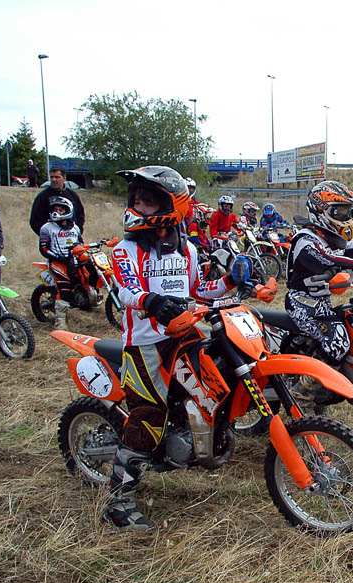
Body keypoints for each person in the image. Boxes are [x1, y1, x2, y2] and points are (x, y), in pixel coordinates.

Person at [106, 165, 250, 532]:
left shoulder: (186, 248)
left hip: (183, 334)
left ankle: (191, 440)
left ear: (173, 205)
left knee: (215, 384)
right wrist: (151, 301)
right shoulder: (125, 249)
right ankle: (118, 504)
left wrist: (229, 281)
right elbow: (126, 289)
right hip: (145, 344)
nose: (138, 207)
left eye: (148, 202)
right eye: (137, 200)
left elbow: (200, 288)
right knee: (147, 417)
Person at [285, 181, 353, 401]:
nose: (346, 217)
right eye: (340, 211)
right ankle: (301, 391)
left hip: (321, 302)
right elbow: (328, 259)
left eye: (348, 211)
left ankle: (330, 383)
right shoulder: (305, 240)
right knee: (338, 342)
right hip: (301, 302)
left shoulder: (331, 237)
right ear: (321, 211)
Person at [38, 197, 94, 328]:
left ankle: (87, 299)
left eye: (60, 209)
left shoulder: (75, 228)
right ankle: (60, 324)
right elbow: (43, 248)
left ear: (68, 210)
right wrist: (58, 257)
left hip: (73, 260)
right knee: (65, 289)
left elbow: (80, 243)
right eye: (55, 209)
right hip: (57, 261)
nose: (56, 212)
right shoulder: (47, 228)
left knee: (89, 272)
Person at [30, 165, 86, 235]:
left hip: (71, 236)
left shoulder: (72, 195)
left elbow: (80, 214)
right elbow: (35, 220)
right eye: (51, 177)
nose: (54, 180)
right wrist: (46, 235)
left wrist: (77, 231)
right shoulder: (42, 197)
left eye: (57, 177)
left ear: (64, 178)